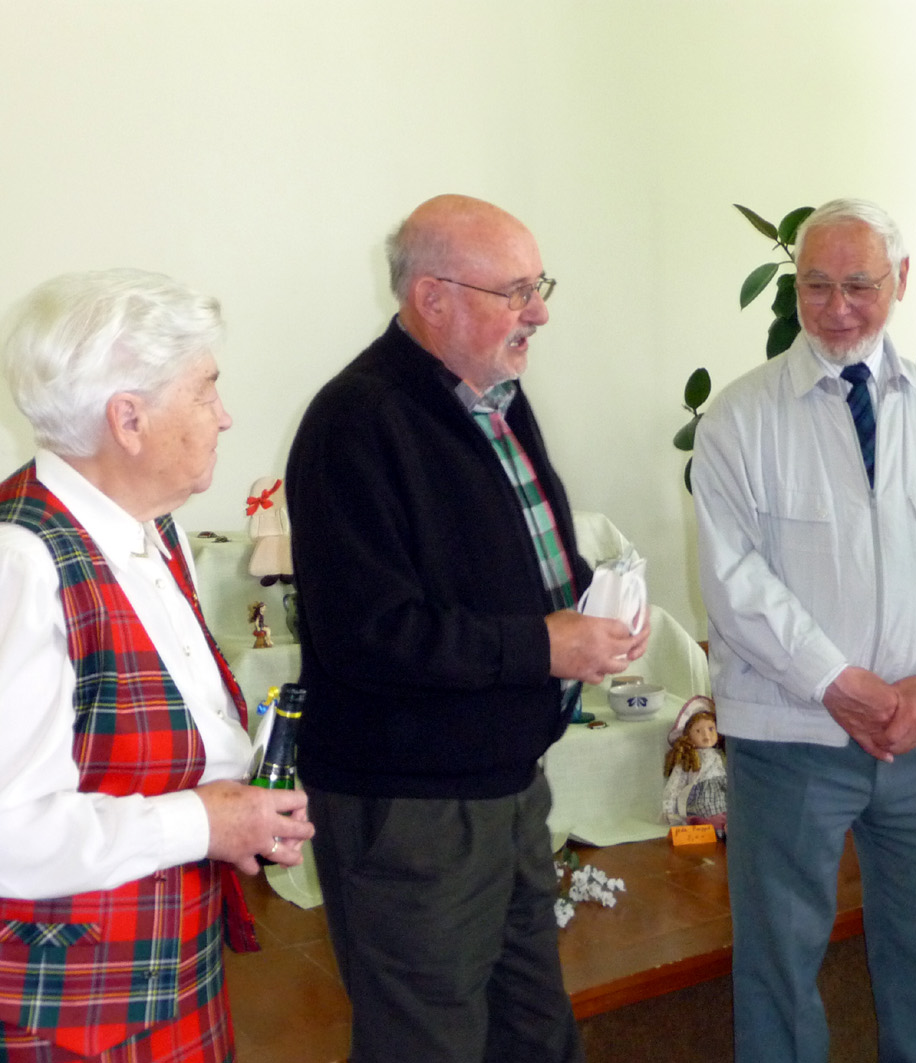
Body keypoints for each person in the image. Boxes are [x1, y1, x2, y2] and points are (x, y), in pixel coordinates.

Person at [285, 194, 648, 1063]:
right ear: (432, 298)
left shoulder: (498, 399)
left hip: (507, 782)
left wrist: (592, 609)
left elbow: (511, 561)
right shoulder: (355, 421)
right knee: (428, 1040)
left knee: (533, 1031)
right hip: (412, 804)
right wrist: (544, 644)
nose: (539, 312)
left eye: (539, 286)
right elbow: (369, 634)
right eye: (515, 291)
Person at [693, 198, 916, 1063]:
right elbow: (734, 582)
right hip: (791, 735)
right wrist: (836, 681)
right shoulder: (739, 417)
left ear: (900, 280)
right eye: (815, 286)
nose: (836, 308)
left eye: (858, 285)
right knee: (777, 967)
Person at [0, 268, 313, 1062]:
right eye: (205, 390)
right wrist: (206, 820)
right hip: (71, 1012)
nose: (224, 413)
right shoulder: (21, 562)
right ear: (128, 419)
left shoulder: (147, 523)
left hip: (167, 967)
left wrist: (245, 810)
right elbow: (9, 830)